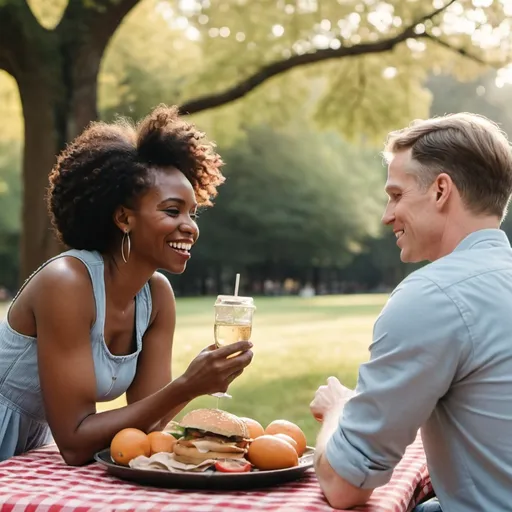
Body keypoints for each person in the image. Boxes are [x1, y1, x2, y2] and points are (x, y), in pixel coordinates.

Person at [0, 105, 253, 465]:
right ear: (123, 218)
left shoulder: (157, 297)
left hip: (25, 449)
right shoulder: (67, 283)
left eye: (192, 213)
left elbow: (150, 424)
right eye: (172, 211)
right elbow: (74, 443)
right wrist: (185, 385)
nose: (191, 227)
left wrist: (199, 384)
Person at [310, 113, 512, 511]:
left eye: (397, 195)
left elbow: (344, 484)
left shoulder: (433, 295)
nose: (387, 215)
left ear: (441, 191)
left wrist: (338, 409)